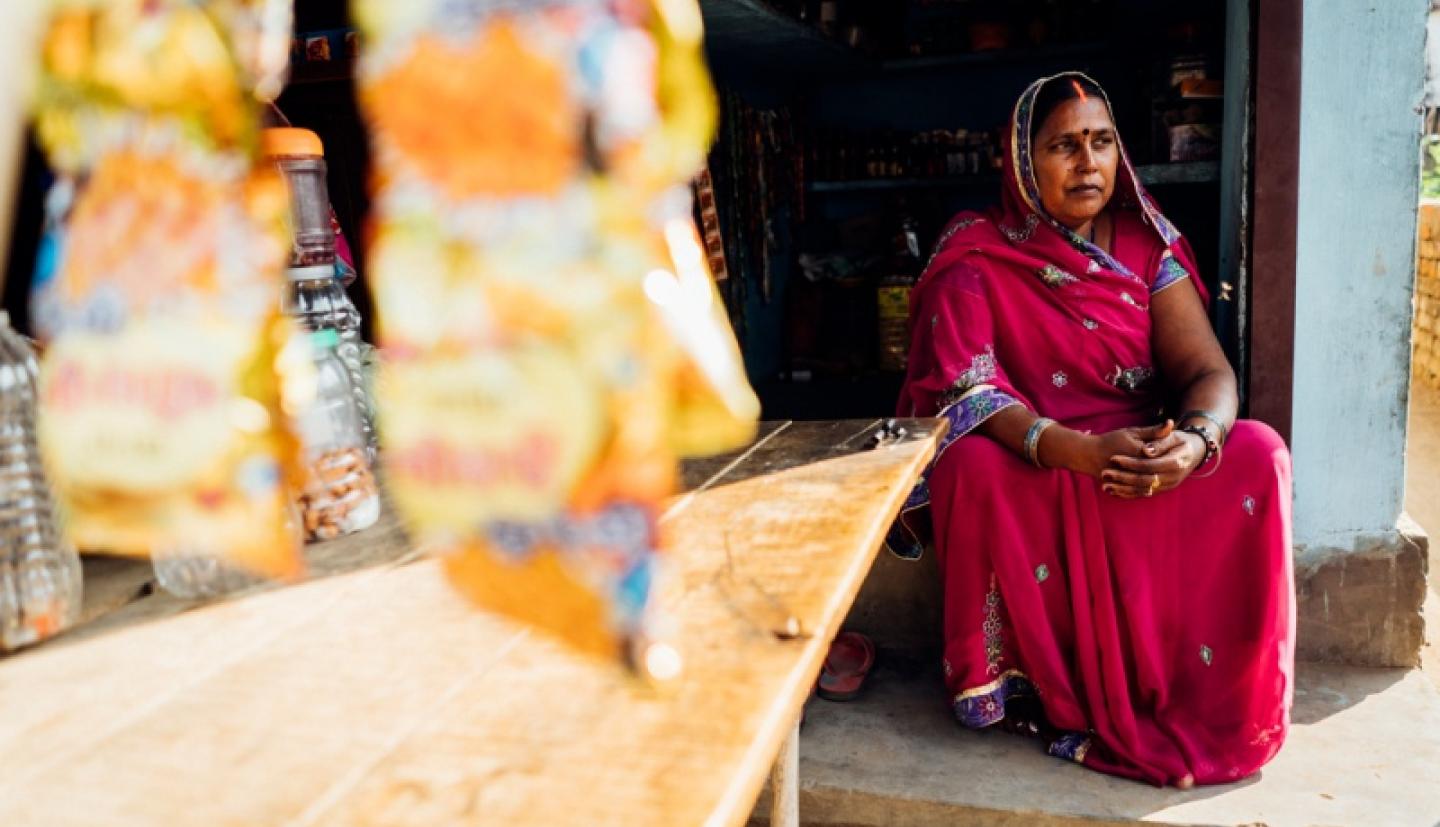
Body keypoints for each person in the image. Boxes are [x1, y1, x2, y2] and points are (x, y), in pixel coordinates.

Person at [888, 72, 1295, 787]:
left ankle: (1207, 680)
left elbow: (1208, 370)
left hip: (1139, 454)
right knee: (967, 468)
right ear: (1019, 160)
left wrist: (1194, 441)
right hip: (1041, 456)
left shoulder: (1146, 246)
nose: (1089, 163)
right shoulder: (975, 252)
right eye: (1063, 146)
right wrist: (1074, 450)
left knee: (1259, 450)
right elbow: (968, 390)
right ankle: (1021, 678)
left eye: (1102, 142)